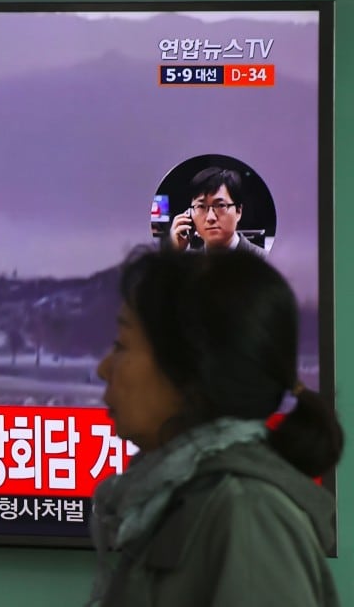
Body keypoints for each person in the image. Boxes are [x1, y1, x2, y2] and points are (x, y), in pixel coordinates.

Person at [85, 245, 341, 607]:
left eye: (121, 345)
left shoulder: (247, 514)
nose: (103, 369)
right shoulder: (172, 497)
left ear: (192, 373)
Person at [168, 166, 267, 257]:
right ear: (189, 215)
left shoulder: (264, 260)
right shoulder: (186, 261)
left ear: (238, 211)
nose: (210, 218)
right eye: (201, 206)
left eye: (221, 205)